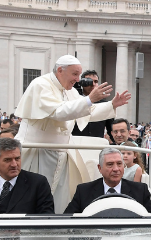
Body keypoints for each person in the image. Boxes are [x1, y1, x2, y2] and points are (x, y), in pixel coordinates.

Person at [13, 54, 131, 213]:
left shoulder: (69, 91)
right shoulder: (41, 85)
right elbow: (58, 112)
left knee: (58, 198)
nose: (77, 79)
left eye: (79, 75)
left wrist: (111, 105)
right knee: (32, 197)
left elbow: (87, 112)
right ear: (60, 70)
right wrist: (89, 99)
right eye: (75, 74)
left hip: (61, 153)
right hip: (37, 152)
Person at [64, 147, 151, 213]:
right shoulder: (83, 191)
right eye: (110, 164)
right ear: (100, 168)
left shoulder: (140, 190)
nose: (116, 169)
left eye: (119, 164)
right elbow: (67, 219)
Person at [72, 70, 114, 141]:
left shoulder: (104, 104)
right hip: (76, 143)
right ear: (83, 83)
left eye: (96, 81)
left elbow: (111, 129)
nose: (93, 84)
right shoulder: (74, 101)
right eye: (89, 81)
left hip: (96, 144)